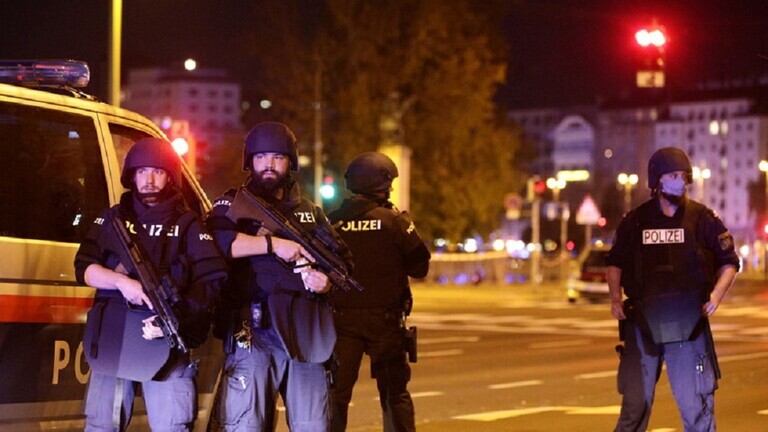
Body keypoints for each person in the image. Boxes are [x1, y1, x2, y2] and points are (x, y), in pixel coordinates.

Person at [74, 137, 228, 431]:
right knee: (102, 425)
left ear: (169, 176)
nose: (149, 179)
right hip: (116, 335)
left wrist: (176, 317)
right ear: (131, 176)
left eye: (157, 171)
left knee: (173, 426)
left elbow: (211, 280)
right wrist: (122, 283)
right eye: (142, 171)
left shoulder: (188, 224)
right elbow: (84, 269)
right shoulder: (113, 218)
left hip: (166, 336)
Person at [207, 121, 352, 431]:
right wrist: (273, 245)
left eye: (277, 157)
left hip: (304, 330)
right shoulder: (232, 203)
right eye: (260, 157)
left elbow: (341, 262)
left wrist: (325, 282)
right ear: (250, 161)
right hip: (253, 331)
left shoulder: (310, 213)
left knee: (313, 425)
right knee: (246, 424)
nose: (269, 165)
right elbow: (217, 243)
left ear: (290, 162)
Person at [606, 147, 739, 432]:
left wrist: (716, 296)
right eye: (673, 175)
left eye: (683, 176)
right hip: (642, 323)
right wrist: (615, 298)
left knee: (696, 409)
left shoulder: (702, 219)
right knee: (634, 408)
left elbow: (729, 262)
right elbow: (614, 262)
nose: (681, 182)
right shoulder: (636, 221)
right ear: (657, 180)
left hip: (689, 324)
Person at [327, 152, 431, 432]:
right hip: (385, 322)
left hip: (341, 322)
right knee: (394, 394)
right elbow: (420, 267)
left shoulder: (332, 221)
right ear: (380, 184)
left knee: (336, 396)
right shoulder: (394, 221)